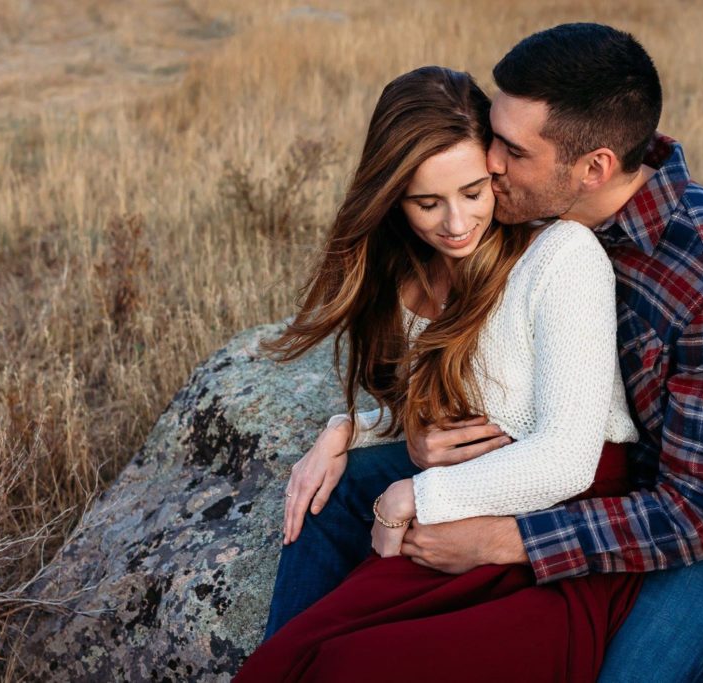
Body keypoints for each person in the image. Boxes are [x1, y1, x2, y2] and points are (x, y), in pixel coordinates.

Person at [263, 22, 703, 683]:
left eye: (511, 151)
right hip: (547, 462)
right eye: (493, 135)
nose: (489, 163)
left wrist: (504, 538)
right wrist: (358, 428)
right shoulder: (533, 211)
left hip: (688, 516)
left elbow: (701, 511)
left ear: (594, 167)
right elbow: (489, 373)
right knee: (335, 491)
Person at [235, 65, 642, 682]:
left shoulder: (562, 256)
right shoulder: (405, 277)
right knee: (291, 659)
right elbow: (449, 415)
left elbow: (565, 459)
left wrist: (414, 495)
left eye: (474, 192)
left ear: (495, 169)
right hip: (463, 502)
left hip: (551, 532)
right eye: (427, 203)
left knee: (348, 664)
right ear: (393, 198)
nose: (456, 224)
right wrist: (346, 429)